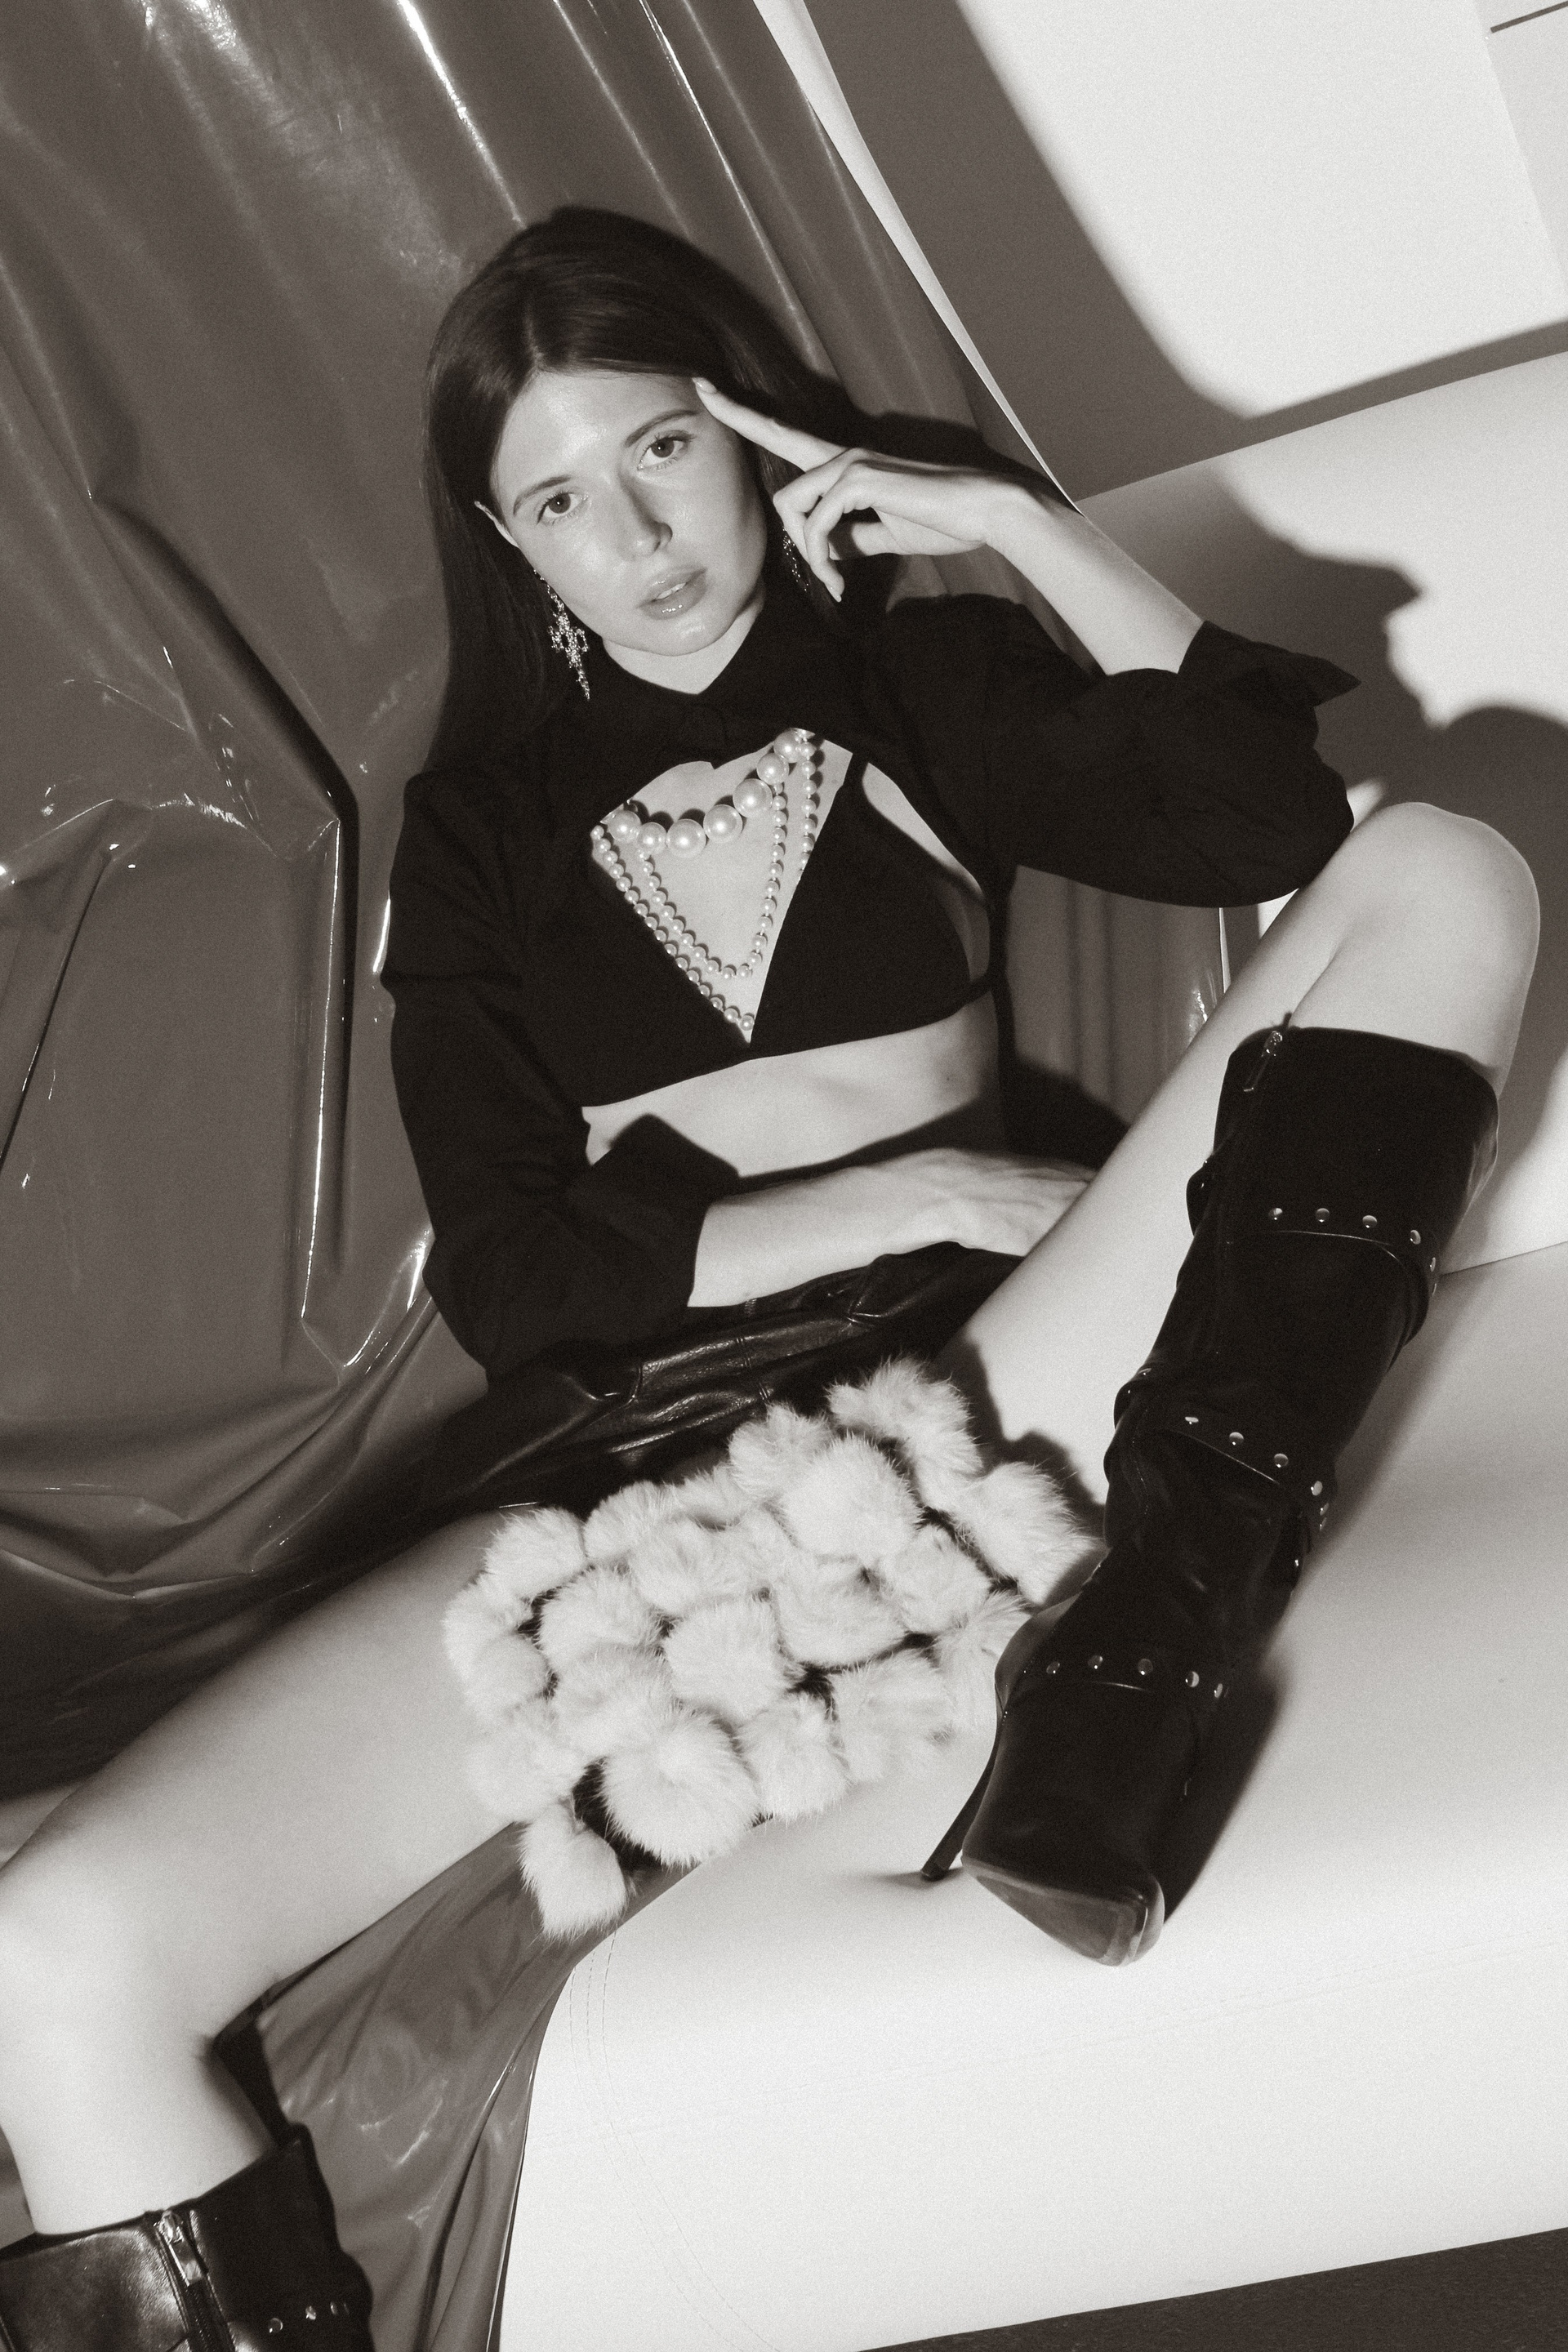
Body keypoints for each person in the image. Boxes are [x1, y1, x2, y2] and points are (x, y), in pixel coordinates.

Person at [0, 207, 1535, 2349]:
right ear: (509, 548)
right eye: (558, 499)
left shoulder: (919, 686)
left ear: (751, 439)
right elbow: (524, 1275)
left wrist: (1016, 528)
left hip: (976, 1385)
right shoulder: (484, 834)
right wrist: (924, 1189)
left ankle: (1135, 1667)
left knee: (1447, 869)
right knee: (58, 1946)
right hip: (636, 1479)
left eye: (660, 451)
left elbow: (1263, 817)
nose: (633, 536)